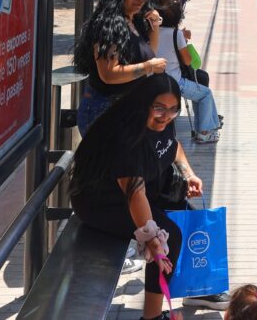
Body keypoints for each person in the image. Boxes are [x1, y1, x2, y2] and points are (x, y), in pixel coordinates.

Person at [69, 74, 210, 320]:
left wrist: (189, 174)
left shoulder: (163, 123)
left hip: (139, 191)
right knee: (169, 237)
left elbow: (173, 146)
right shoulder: (126, 137)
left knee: (192, 217)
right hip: (102, 202)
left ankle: (202, 288)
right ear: (144, 104)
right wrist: (152, 237)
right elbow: (135, 193)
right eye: (159, 108)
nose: (166, 116)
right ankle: (152, 316)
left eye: (173, 110)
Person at [73, 0, 167, 136]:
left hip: (126, 108)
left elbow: (149, 53)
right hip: (104, 111)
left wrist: (155, 24)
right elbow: (109, 74)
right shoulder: (108, 25)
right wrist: (149, 67)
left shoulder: (133, 20)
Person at [153, 0, 223, 144]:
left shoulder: (152, 31)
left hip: (154, 80)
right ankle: (204, 132)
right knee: (205, 94)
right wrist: (183, 40)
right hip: (175, 83)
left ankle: (207, 125)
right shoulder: (176, 34)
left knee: (201, 91)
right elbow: (187, 60)